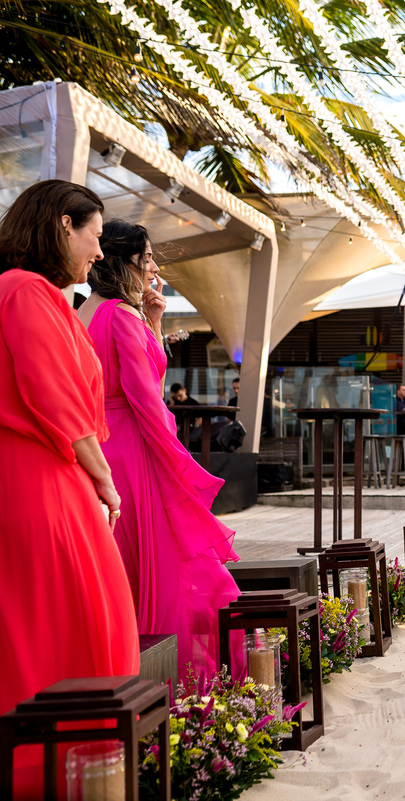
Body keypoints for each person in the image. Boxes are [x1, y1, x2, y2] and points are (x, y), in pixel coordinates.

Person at [0, 180, 139, 797]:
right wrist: (104, 479)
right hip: (42, 478)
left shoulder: (18, 290)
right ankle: (71, 770)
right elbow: (54, 395)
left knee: (37, 629)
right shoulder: (26, 291)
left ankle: (49, 768)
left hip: (34, 475)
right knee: (83, 623)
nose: (100, 251)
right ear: (63, 224)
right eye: (95, 235)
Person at [77, 220, 241, 676]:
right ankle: (178, 677)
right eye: (147, 257)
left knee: (122, 565)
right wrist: (178, 462)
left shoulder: (83, 311)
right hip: (134, 447)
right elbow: (147, 397)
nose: (154, 268)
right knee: (169, 564)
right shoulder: (121, 315)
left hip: (99, 444)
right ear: (124, 260)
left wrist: (153, 322)